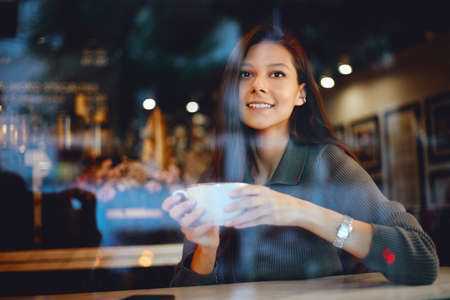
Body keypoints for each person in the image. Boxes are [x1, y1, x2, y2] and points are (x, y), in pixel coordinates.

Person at [162, 24, 439, 286]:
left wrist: (302, 212)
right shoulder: (216, 175)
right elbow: (186, 293)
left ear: (301, 94)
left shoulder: (327, 163)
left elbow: (421, 260)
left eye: (277, 74)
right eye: (246, 74)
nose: (257, 84)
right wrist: (207, 248)